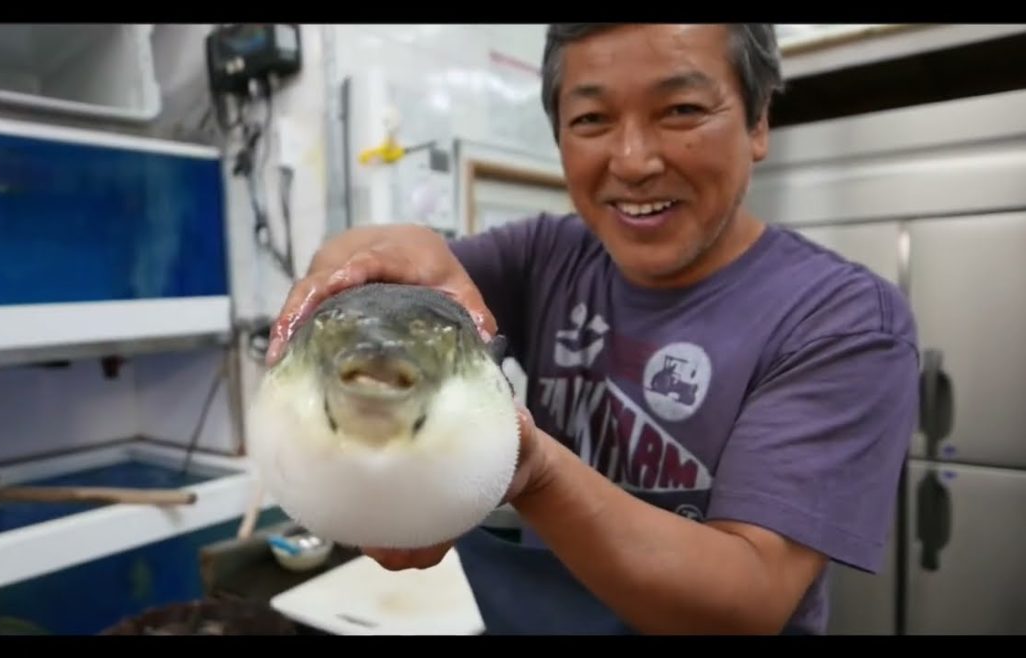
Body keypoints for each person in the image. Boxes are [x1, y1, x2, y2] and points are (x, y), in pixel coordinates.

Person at [265, 24, 920, 635]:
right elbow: (394, 259)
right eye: (591, 119)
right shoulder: (549, 256)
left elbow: (748, 599)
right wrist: (354, 266)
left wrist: (531, 472)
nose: (633, 161)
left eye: (682, 110)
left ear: (758, 121)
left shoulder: (843, 319)